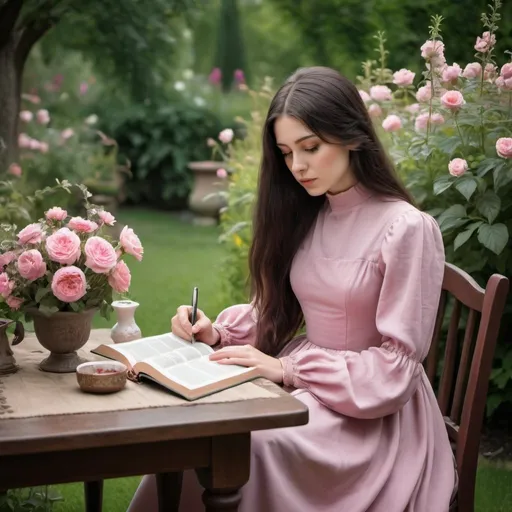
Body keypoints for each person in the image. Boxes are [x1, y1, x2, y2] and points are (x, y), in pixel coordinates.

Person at [127, 66, 457, 512]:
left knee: (248, 448)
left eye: (311, 148)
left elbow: (395, 369)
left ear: (354, 137)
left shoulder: (406, 228)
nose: (297, 166)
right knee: (201, 434)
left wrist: (289, 371)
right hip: (309, 394)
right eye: (286, 153)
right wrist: (216, 335)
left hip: (374, 419)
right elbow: (280, 311)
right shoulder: (311, 215)